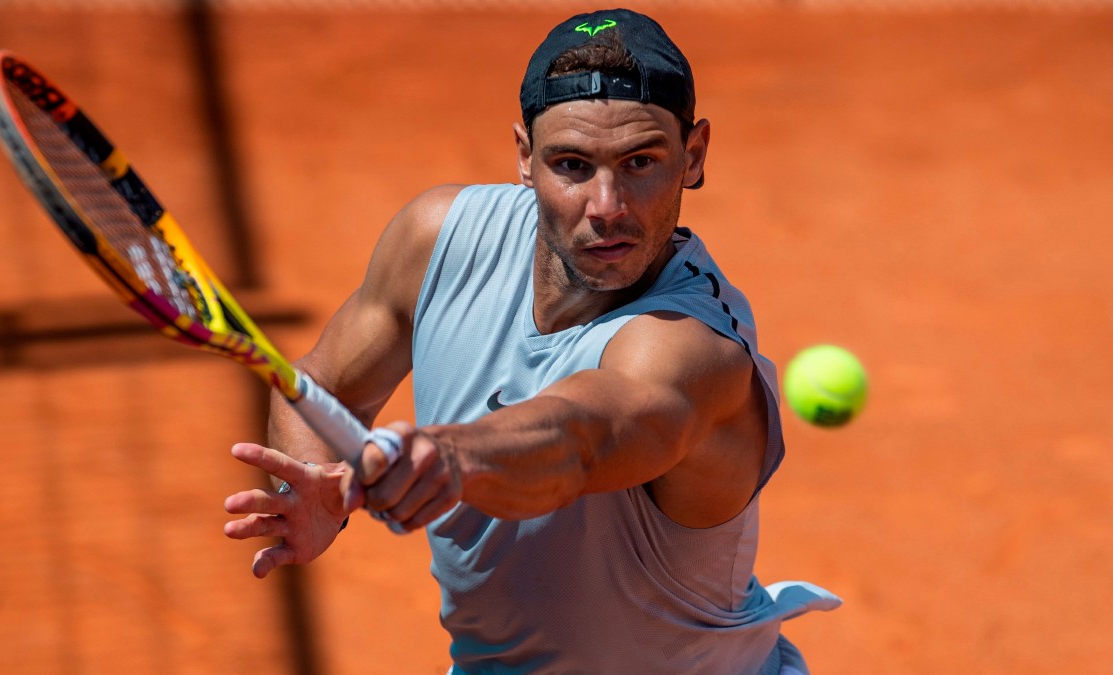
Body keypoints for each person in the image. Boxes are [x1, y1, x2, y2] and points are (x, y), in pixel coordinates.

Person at [222, 8, 840, 674]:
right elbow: (320, 387)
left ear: (693, 156)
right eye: (572, 164)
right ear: (524, 157)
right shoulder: (439, 243)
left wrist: (448, 455)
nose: (606, 205)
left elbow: (579, 436)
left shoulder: (694, 350)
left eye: (641, 162)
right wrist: (314, 491)